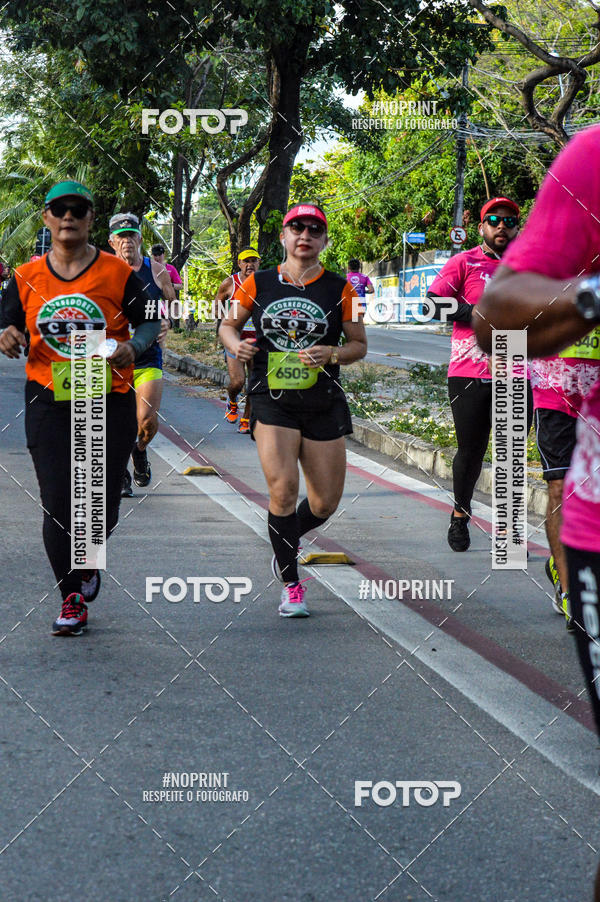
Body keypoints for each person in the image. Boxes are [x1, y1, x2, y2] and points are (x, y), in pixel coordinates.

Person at [473, 125, 600, 899]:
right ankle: (550, 566)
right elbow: (493, 317)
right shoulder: (593, 158)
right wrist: (590, 294)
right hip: (557, 392)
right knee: (548, 487)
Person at [0, 180, 160, 635]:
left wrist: (135, 346)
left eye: (77, 209)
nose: (68, 216)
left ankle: (88, 562)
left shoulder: (118, 274)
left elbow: (150, 322)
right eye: (59, 209)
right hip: (48, 399)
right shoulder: (27, 276)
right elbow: (7, 323)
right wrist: (7, 335)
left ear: (90, 219)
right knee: (57, 502)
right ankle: (70, 597)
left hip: (108, 398)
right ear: (47, 218)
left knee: (101, 502)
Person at [219, 203, 367, 616]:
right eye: (296, 228)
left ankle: (288, 540)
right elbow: (228, 326)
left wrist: (333, 352)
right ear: (283, 237)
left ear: (324, 241)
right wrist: (237, 346)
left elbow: (359, 345)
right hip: (272, 399)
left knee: (324, 504)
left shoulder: (342, 289)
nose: (305, 235)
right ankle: (291, 583)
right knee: (283, 491)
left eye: (314, 229)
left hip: (322, 402)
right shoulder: (257, 283)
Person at [427, 197, 533, 552]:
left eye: (509, 220)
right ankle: (460, 514)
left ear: (517, 227)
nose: (502, 226)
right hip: (469, 371)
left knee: (511, 452)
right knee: (471, 451)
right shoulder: (464, 261)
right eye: (494, 220)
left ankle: (508, 533)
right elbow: (431, 304)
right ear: (482, 227)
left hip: (517, 370)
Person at [108, 214, 175, 493]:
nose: (127, 241)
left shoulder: (157, 271)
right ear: (112, 242)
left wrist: (168, 321)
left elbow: (172, 302)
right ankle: (120, 471)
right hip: (110, 359)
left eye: (131, 235)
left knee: (146, 421)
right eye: (121, 237)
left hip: (147, 357)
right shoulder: (101, 272)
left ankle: (139, 449)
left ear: (140, 239)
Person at [215, 247, 261, 434]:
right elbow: (217, 305)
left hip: (257, 340)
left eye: (254, 261)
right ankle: (232, 400)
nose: (250, 265)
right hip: (235, 338)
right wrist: (227, 320)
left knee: (255, 382)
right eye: (246, 261)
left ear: (259, 263)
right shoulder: (230, 283)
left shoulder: (265, 283)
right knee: (238, 382)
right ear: (239, 263)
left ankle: (246, 418)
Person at [152, 243, 183, 325]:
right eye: (155, 255)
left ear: (163, 254)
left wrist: (169, 284)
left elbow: (180, 286)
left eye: (159, 255)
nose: (157, 257)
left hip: (166, 304)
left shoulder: (171, 269)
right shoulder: (148, 268)